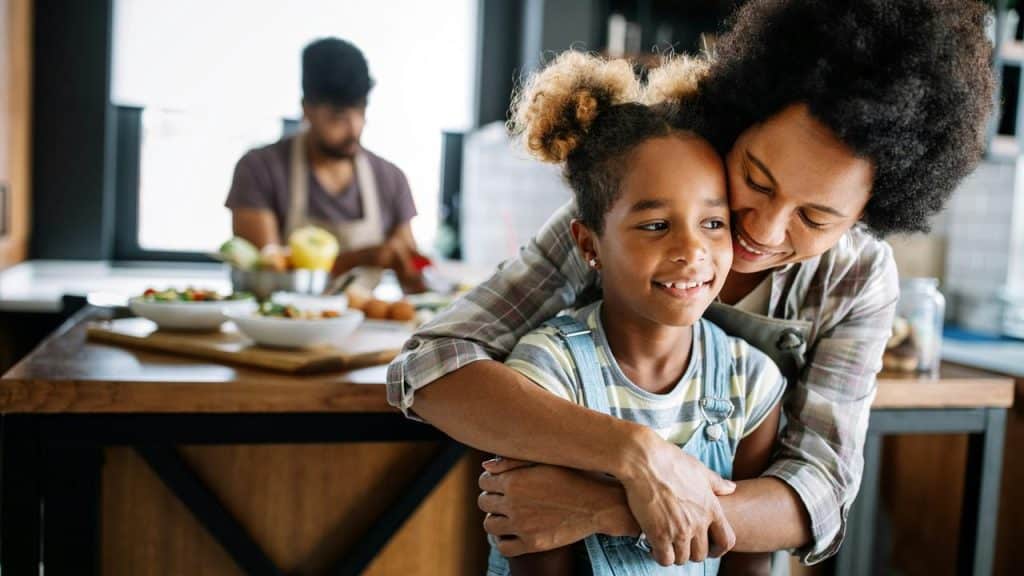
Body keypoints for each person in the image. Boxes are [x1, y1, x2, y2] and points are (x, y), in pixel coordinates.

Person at [387, 0, 994, 567]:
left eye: (816, 218)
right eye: (756, 180)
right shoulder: (642, 206)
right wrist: (633, 453)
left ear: (868, 213)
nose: (763, 228)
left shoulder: (857, 277)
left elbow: (819, 492)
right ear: (742, 118)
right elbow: (433, 366)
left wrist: (613, 506)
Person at [490, 51, 786, 576]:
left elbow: (750, 560)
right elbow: (536, 549)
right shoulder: (548, 375)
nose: (692, 250)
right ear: (589, 244)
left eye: (713, 224)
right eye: (654, 226)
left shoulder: (751, 382)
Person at [225, 37, 426, 290]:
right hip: (284, 327)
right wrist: (360, 258)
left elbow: (416, 284)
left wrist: (418, 268)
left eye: (361, 111)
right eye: (338, 117)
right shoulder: (259, 169)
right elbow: (269, 276)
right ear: (306, 110)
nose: (354, 128)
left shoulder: (390, 179)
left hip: (366, 328)